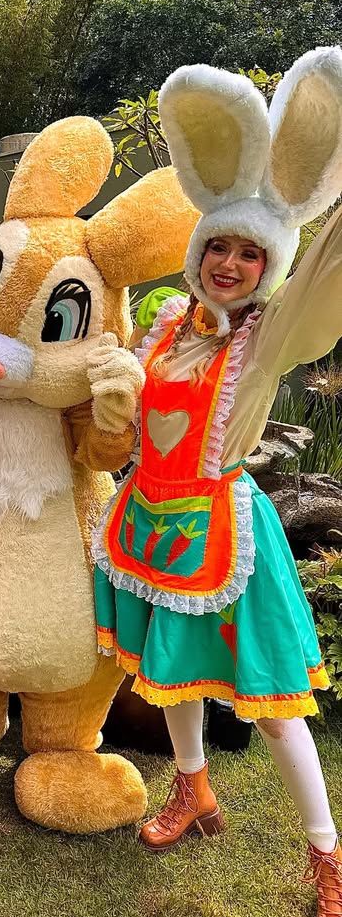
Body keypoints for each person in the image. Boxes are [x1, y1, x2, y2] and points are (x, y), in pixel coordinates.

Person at [92, 49, 342, 915]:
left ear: (270, 265)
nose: (230, 263)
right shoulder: (167, 324)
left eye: (249, 253)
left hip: (226, 535)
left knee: (273, 703)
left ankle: (328, 855)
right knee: (171, 673)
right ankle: (193, 788)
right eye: (220, 246)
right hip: (155, 525)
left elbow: (325, 276)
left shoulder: (264, 340)